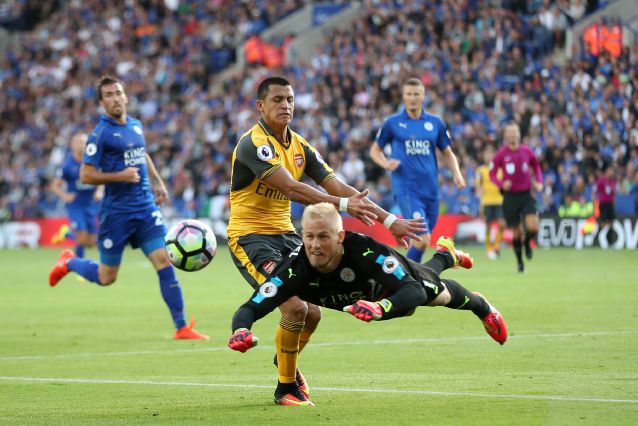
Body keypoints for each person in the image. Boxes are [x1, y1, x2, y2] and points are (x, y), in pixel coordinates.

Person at [227, 76, 426, 406]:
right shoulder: (253, 144)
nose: (285, 105)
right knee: (294, 304)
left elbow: (338, 186)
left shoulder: (301, 146)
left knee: (314, 314)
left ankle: (284, 360)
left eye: (289, 99)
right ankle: (285, 388)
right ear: (260, 106)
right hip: (251, 237)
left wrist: (389, 220)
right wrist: (345, 206)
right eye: (277, 100)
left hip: (288, 236)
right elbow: (292, 189)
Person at [228, 203, 508, 406]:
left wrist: (381, 307)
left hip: (383, 291)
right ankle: (446, 255)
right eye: (309, 236)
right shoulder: (294, 269)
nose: (314, 245)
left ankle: (481, 305)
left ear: (339, 237)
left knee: (435, 293)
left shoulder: (366, 252)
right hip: (362, 303)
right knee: (428, 281)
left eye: (323, 236)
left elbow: (412, 291)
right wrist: (240, 330)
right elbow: (251, 307)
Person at [48, 76, 208, 340]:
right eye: (108, 95)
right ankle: (69, 262)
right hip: (116, 213)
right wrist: (119, 176)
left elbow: (142, 154)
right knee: (106, 276)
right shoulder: (100, 135)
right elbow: (86, 176)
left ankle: (181, 327)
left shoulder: (135, 125)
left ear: (126, 97)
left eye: (117, 93)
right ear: (102, 103)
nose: (114, 98)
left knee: (163, 259)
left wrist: (157, 181)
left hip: (145, 207)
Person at [369, 77, 466, 263]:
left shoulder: (435, 123)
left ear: (423, 97)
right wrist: (386, 163)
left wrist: (457, 173)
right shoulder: (392, 123)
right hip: (407, 190)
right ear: (403, 97)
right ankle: (408, 279)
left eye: (416, 94)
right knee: (422, 240)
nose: (412, 98)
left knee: (420, 243)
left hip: (431, 191)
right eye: (409, 94)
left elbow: (447, 152)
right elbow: (374, 150)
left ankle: (407, 278)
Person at [489, 121, 543, 273]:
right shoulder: (501, 154)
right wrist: (501, 183)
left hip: (526, 194)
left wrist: (539, 181)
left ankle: (527, 242)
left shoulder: (527, 151)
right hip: (510, 197)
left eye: (515, 131)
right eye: (510, 132)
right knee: (516, 232)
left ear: (519, 134)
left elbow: (536, 166)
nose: (512, 134)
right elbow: (492, 174)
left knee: (533, 226)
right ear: (506, 135)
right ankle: (520, 262)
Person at [50, 132, 101, 258]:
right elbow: (54, 185)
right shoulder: (67, 165)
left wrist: (99, 190)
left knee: (91, 242)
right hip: (76, 205)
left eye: (84, 142)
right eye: (79, 142)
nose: (82, 145)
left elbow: (101, 178)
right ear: (72, 145)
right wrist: (64, 196)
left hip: (90, 204)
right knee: (81, 236)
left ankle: (66, 234)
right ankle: (80, 265)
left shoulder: (92, 161)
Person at [475, 145, 505, 259]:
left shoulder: (500, 169)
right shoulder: (480, 170)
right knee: (488, 226)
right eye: (487, 154)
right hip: (486, 202)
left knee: (502, 224)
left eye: (491, 154)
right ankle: (488, 249)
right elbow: (477, 186)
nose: (489, 156)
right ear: (484, 156)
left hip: (499, 201)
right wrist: (479, 196)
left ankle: (496, 246)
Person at [595, 165, 616, 248]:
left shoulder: (612, 181)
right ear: (606, 172)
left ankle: (610, 242)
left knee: (611, 224)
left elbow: (613, 194)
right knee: (604, 223)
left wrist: (614, 204)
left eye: (612, 171)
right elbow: (595, 189)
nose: (611, 173)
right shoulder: (602, 180)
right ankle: (595, 239)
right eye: (609, 171)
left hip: (610, 204)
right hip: (603, 204)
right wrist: (594, 200)